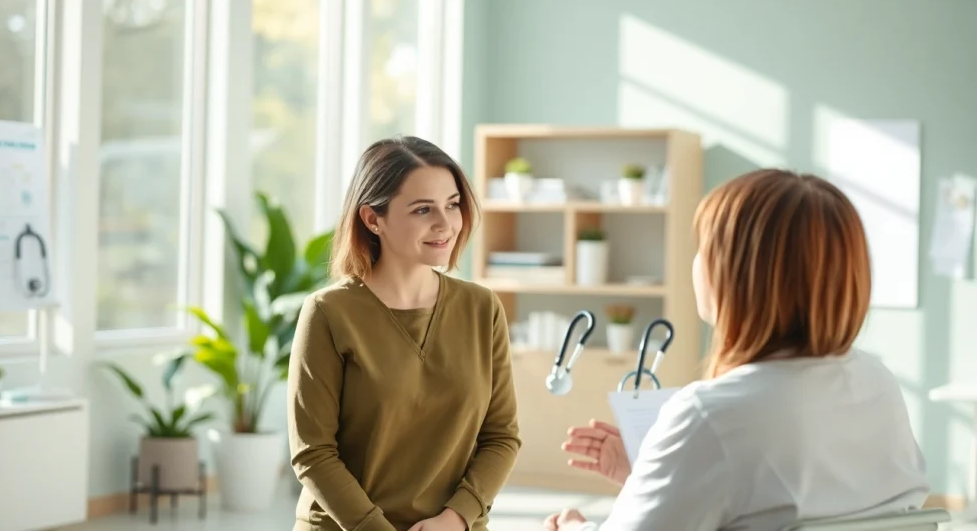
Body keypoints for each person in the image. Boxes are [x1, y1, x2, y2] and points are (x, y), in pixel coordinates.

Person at [545, 169, 930, 531]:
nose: (695, 263)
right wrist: (651, 476)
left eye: (703, 248)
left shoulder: (710, 415)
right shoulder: (879, 383)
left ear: (736, 275)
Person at [287, 135, 522, 531]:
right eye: (422, 209)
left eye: (452, 205)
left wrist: (457, 518)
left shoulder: (482, 308)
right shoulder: (328, 313)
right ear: (372, 219)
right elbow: (313, 453)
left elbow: (501, 436)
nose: (445, 224)